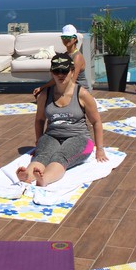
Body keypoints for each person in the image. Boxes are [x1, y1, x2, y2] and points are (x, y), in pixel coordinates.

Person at [18, 53, 107, 187]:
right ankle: (28, 175)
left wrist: (100, 149)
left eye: (64, 71)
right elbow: (39, 120)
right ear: (51, 73)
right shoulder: (45, 94)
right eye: (56, 71)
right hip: (52, 136)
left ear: (72, 71)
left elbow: (96, 122)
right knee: (42, 155)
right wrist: (39, 141)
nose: (60, 74)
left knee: (61, 156)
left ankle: (44, 179)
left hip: (79, 137)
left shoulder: (82, 94)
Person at [32, 24, 90, 100]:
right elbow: (59, 77)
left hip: (79, 89)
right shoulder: (65, 55)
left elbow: (72, 80)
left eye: (69, 37)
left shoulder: (77, 57)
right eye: (64, 37)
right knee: (42, 94)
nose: (66, 40)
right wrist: (42, 88)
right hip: (67, 85)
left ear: (75, 39)